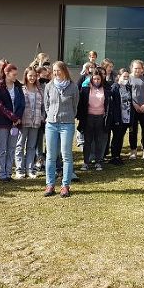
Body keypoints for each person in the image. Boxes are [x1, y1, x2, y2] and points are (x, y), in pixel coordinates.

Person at [42, 61, 79, 197]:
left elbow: (75, 106)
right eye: (54, 70)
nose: (56, 73)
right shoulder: (49, 86)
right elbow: (46, 105)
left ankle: (65, 185)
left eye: (58, 70)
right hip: (51, 124)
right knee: (51, 156)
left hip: (67, 124)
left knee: (66, 155)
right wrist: (51, 115)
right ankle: (50, 184)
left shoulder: (73, 87)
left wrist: (67, 116)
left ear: (64, 71)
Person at [0, 63, 24, 181]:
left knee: (11, 148)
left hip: (15, 124)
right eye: (14, 74)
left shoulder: (17, 86)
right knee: (1, 148)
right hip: (2, 122)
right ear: (6, 73)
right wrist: (13, 117)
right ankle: (1, 174)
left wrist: (18, 117)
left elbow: (22, 103)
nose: (16, 76)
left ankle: (8, 172)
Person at [77, 68, 108, 171]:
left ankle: (98, 161)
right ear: (91, 79)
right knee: (88, 140)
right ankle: (86, 162)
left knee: (99, 140)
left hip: (100, 118)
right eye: (94, 79)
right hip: (88, 118)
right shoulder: (85, 90)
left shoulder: (106, 89)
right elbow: (81, 105)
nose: (96, 81)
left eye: (98, 79)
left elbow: (107, 104)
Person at [16, 66, 43, 179]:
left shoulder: (40, 90)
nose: (32, 78)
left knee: (32, 146)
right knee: (20, 145)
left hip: (36, 122)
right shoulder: (21, 89)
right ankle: (19, 169)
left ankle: (29, 169)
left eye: (34, 75)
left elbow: (43, 106)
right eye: (30, 75)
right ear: (26, 76)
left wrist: (42, 116)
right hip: (23, 121)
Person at [128, 59, 144, 160]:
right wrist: (134, 104)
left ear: (143, 69)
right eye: (135, 68)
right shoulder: (128, 78)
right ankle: (133, 151)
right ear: (132, 68)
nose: (137, 70)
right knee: (133, 130)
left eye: (139, 68)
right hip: (132, 108)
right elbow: (127, 94)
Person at [107, 69, 134, 164]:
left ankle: (118, 155)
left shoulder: (128, 88)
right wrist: (115, 118)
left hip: (126, 117)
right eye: (124, 76)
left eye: (127, 77)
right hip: (117, 117)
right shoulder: (114, 87)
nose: (126, 78)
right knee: (116, 137)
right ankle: (114, 157)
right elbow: (112, 105)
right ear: (119, 76)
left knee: (121, 137)